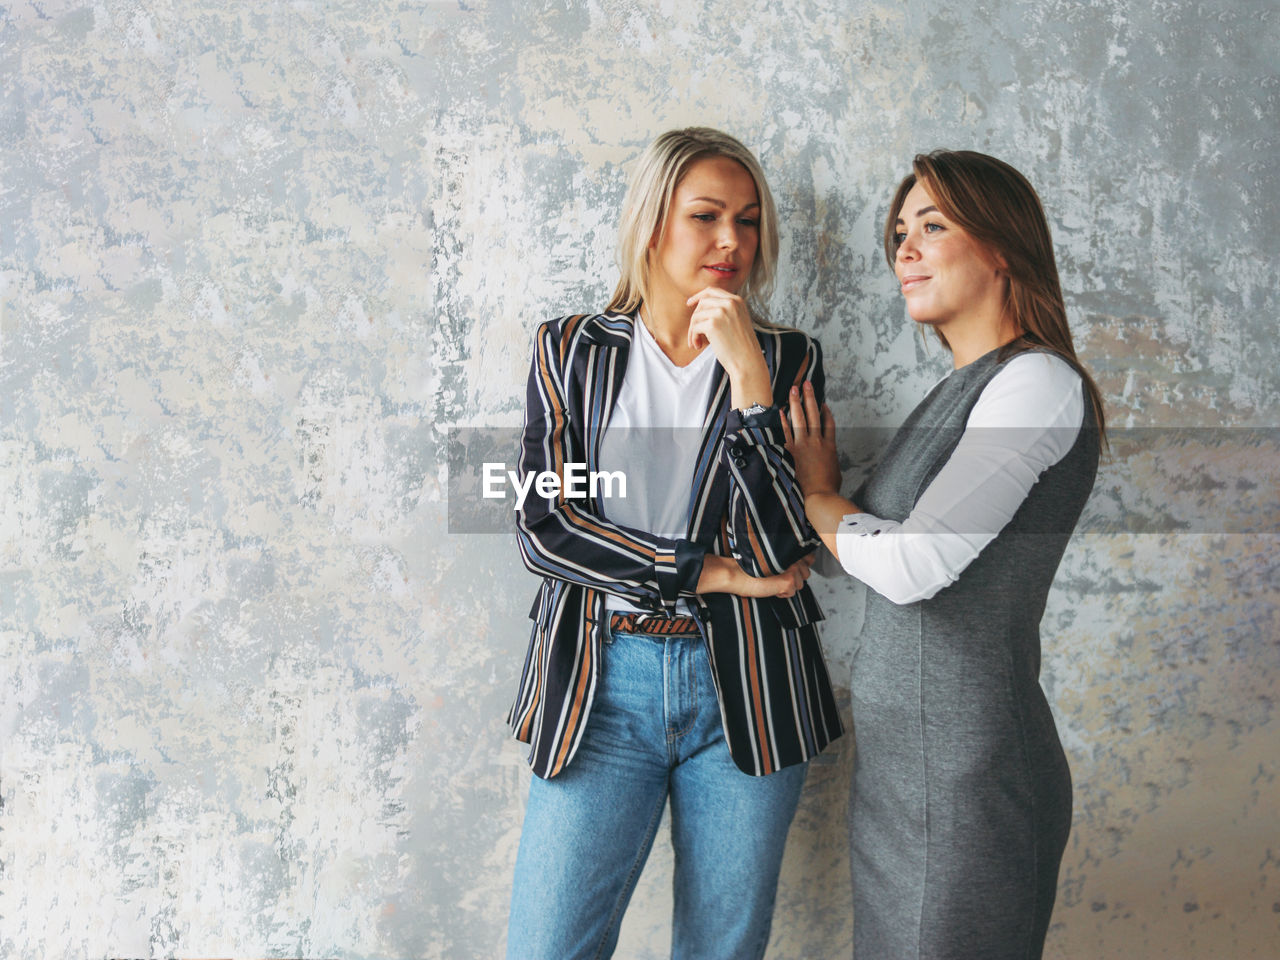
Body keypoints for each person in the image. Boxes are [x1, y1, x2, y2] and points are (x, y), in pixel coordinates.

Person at [505, 127, 843, 960]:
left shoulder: (787, 358)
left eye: (750, 221)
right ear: (653, 224)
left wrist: (753, 390)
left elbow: (783, 553)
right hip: (601, 683)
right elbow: (545, 526)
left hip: (749, 689)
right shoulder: (569, 350)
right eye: (706, 216)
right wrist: (705, 570)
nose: (733, 241)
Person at [784, 149, 1106, 959]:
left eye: (933, 226)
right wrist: (830, 514)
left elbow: (914, 565)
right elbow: (849, 558)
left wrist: (824, 496)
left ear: (1002, 246)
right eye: (900, 233)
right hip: (905, 771)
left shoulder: (1036, 384)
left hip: (969, 778)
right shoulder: (958, 391)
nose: (905, 250)